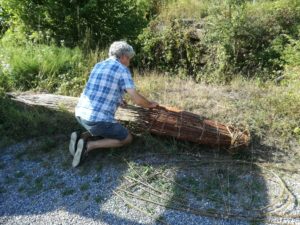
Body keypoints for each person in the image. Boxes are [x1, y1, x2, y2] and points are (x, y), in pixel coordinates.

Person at [69, 41, 158, 167]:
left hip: (79, 114)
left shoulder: (99, 65)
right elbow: (136, 98)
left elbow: (100, 89)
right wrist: (149, 104)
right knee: (127, 138)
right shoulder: (122, 69)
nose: (129, 62)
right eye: (129, 58)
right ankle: (88, 146)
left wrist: (118, 99)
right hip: (97, 121)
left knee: (102, 125)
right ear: (123, 57)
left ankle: (82, 137)